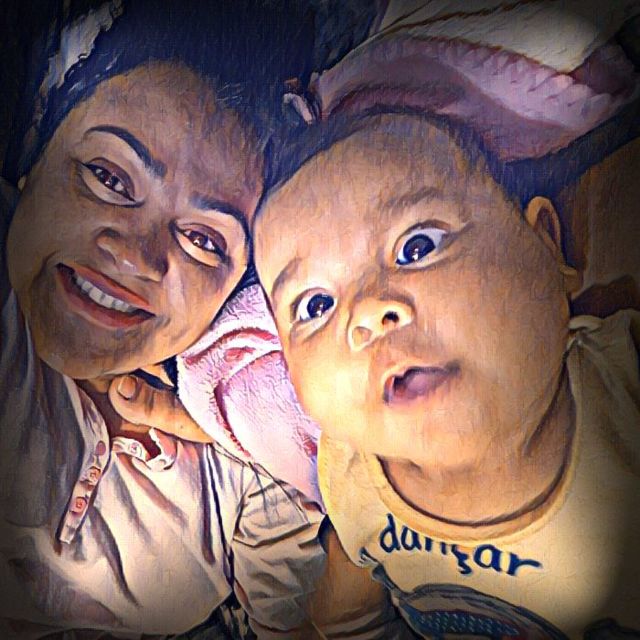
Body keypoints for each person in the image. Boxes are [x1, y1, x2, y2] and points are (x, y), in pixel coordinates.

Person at [251, 88, 640, 640]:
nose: (367, 313)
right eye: (315, 306)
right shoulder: (350, 470)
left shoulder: (624, 393)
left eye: (418, 246)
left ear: (547, 247)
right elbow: (346, 603)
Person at [0, 1, 331, 637]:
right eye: (107, 177)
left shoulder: (253, 460)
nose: (137, 256)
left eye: (203, 240)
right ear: (34, 151)